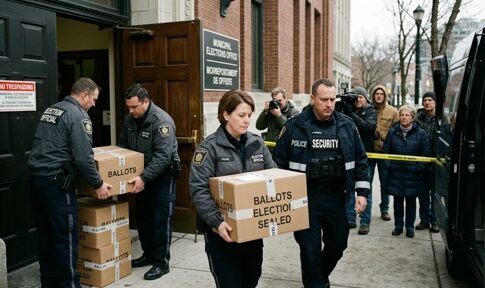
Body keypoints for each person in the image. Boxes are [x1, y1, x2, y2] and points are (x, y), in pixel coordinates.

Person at [273, 78, 370, 288]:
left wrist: (362, 193)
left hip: (336, 196)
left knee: (338, 244)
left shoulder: (347, 125)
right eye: (324, 99)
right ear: (312, 98)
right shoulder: (294, 126)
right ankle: (316, 284)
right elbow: (278, 164)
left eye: (333, 99)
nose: (329, 104)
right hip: (306, 198)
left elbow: (361, 160)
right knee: (310, 249)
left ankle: (317, 277)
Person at [29, 77, 112, 288]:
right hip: (57, 183)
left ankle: (48, 283)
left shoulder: (52, 110)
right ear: (84, 95)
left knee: (46, 235)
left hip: (37, 180)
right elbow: (83, 157)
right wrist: (98, 184)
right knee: (65, 236)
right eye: (93, 99)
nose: (94, 104)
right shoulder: (78, 116)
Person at [189, 89, 276, 288]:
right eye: (241, 115)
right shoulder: (208, 148)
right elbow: (198, 189)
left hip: (252, 231)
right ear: (226, 115)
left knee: (251, 279)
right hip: (222, 234)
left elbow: (273, 177)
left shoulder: (257, 144)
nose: (246, 120)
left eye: (249, 115)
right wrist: (217, 222)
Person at [118, 84, 180, 281]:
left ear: (145, 101)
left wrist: (144, 178)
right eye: (128, 107)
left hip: (162, 176)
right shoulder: (130, 120)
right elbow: (123, 145)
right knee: (143, 217)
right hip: (140, 176)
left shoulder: (162, 121)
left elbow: (163, 156)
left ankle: (161, 263)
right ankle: (149, 254)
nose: (131, 111)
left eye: (134, 107)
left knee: (161, 219)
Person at [383, 105, 431, 238]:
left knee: (411, 202)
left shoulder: (421, 134)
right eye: (402, 115)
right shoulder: (393, 132)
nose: (404, 118)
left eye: (407, 115)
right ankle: (398, 226)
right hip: (396, 173)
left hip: (413, 174)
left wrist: (419, 167)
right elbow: (385, 151)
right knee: (397, 202)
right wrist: (389, 165)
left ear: (412, 117)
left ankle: (409, 227)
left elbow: (425, 153)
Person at [343, 86, 377, 235]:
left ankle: (364, 221)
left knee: (365, 189)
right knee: (348, 187)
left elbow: (366, 127)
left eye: (361, 97)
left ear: (365, 98)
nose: (358, 100)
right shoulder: (347, 109)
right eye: (355, 97)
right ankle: (350, 218)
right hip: (349, 155)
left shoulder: (370, 111)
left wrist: (350, 113)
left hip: (365, 156)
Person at [370, 85, 399, 221]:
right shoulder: (368, 110)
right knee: (366, 182)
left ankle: (385, 209)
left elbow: (397, 132)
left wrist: (382, 136)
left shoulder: (393, 112)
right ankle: (365, 209)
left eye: (381, 94)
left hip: (385, 152)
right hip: (369, 151)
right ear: (373, 95)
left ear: (385, 96)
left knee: (385, 183)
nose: (379, 96)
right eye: (377, 94)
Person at [415, 91, 440, 233]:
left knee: (435, 194)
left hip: (437, 163)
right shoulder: (418, 119)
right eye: (425, 100)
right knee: (423, 193)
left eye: (430, 99)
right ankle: (424, 220)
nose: (427, 102)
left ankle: (434, 220)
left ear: (435, 102)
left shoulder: (442, 119)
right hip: (421, 161)